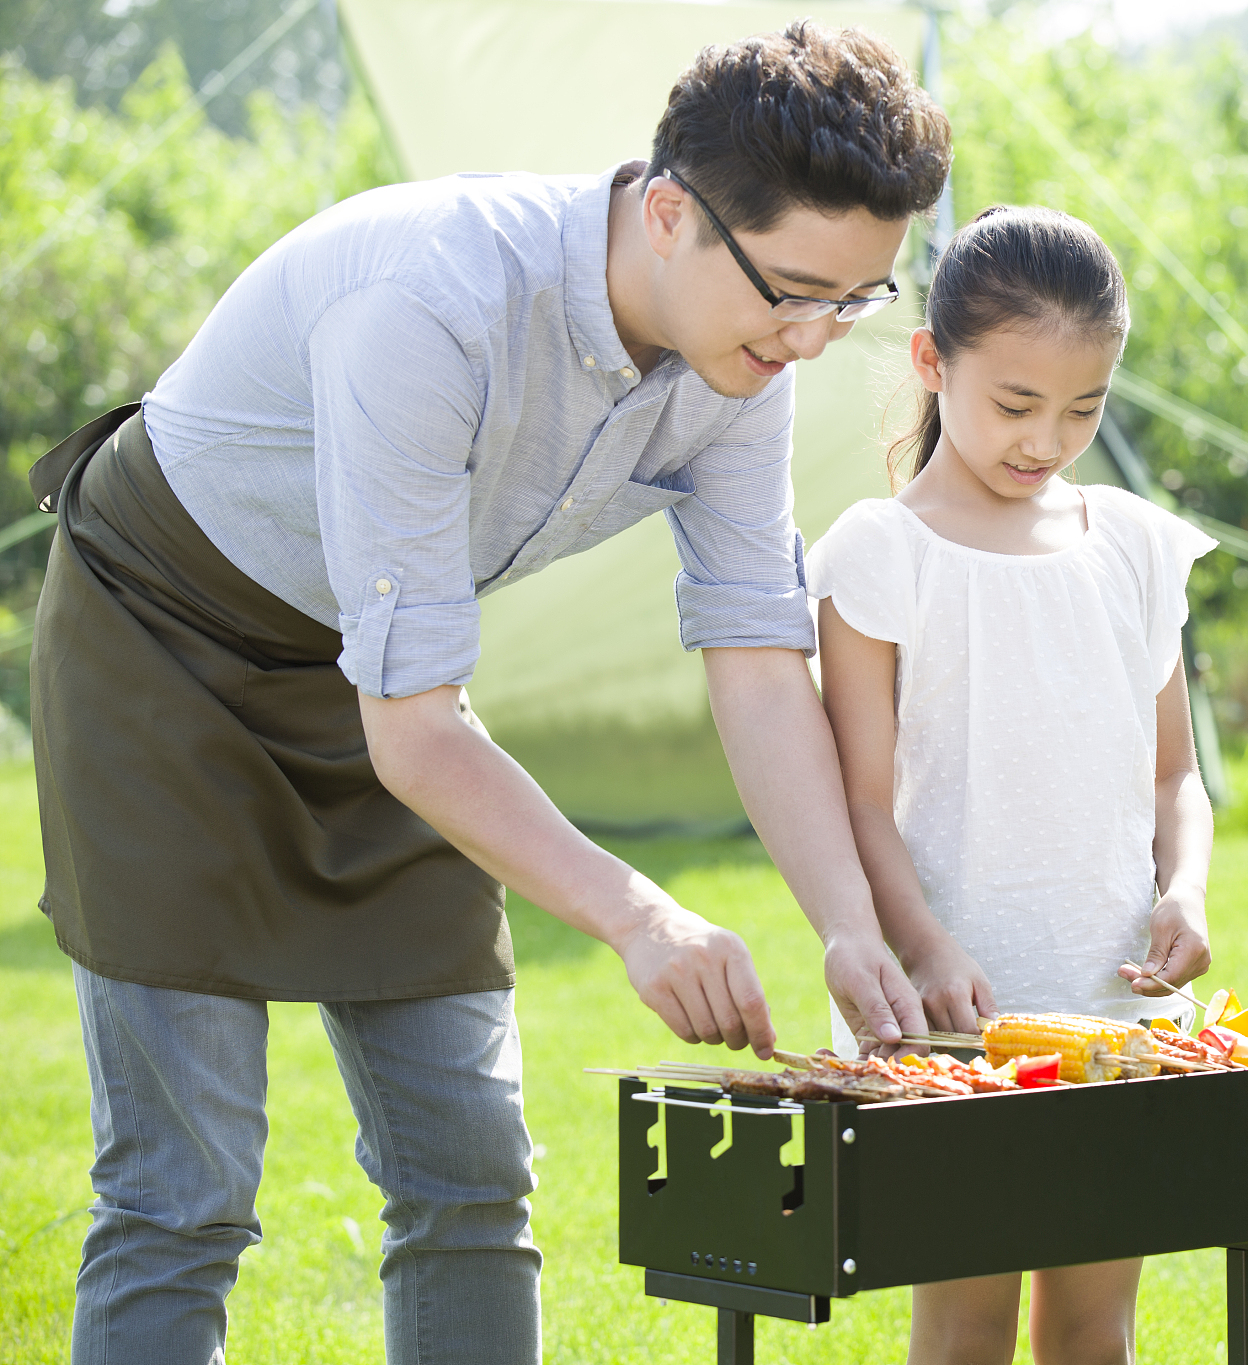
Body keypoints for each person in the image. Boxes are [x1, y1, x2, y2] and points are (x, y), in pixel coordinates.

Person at [32, 24, 951, 1364]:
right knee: (185, 1191)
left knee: (471, 1166)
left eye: (854, 302)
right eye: (796, 292)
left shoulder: (738, 361)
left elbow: (757, 661)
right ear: (670, 213)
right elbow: (415, 731)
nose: (815, 341)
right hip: (164, 646)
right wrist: (639, 916)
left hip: (389, 683)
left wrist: (848, 926)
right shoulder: (433, 301)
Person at [807, 206, 1214, 1365]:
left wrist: (1183, 890)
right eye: (1016, 405)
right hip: (955, 1020)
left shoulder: (1133, 544)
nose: (1048, 439)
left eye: (1083, 409)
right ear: (934, 364)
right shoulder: (880, 553)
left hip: (1113, 999)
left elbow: (1173, 774)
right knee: (967, 1322)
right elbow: (859, 808)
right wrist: (926, 949)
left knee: (1097, 1323)